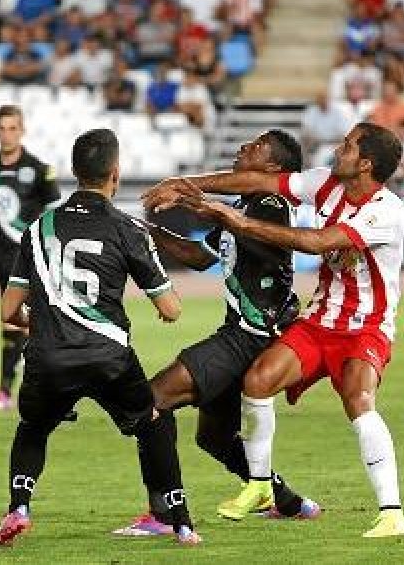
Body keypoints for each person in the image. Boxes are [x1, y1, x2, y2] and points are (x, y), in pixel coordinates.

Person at [142, 123, 404, 538]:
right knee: (240, 403)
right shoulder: (324, 185)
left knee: (358, 398)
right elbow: (211, 242)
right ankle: (266, 489)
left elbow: (318, 242)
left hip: (361, 327)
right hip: (316, 321)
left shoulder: (384, 211)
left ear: (365, 163)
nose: (337, 149)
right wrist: (176, 192)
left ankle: (391, 512)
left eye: (347, 145)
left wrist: (232, 219)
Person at [0, 129, 202, 547]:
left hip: (48, 357)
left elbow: (8, 312)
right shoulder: (126, 228)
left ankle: (19, 507)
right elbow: (172, 308)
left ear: (73, 172)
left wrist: (44, 323)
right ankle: (181, 522)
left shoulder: (38, 227)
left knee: (33, 427)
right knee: (153, 423)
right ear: (115, 174)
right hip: (108, 356)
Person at [113, 131, 321, 538]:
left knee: (153, 399)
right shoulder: (244, 205)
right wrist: (144, 231)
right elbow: (200, 255)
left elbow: (240, 226)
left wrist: (194, 197)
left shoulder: (273, 203)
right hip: (241, 332)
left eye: (256, 147)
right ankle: (289, 501)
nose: (244, 148)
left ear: (274, 168)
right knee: (213, 437)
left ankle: (163, 515)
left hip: (254, 336)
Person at [0, 106, 61, 411]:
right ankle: (10, 392)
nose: (7, 134)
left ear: (22, 130)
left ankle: (33, 391)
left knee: (35, 323)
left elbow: (55, 214)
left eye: (12, 128)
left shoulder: (41, 169)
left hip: (33, 257)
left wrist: (53, 252)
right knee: (13, 322)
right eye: (2, 128)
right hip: (4, 258)